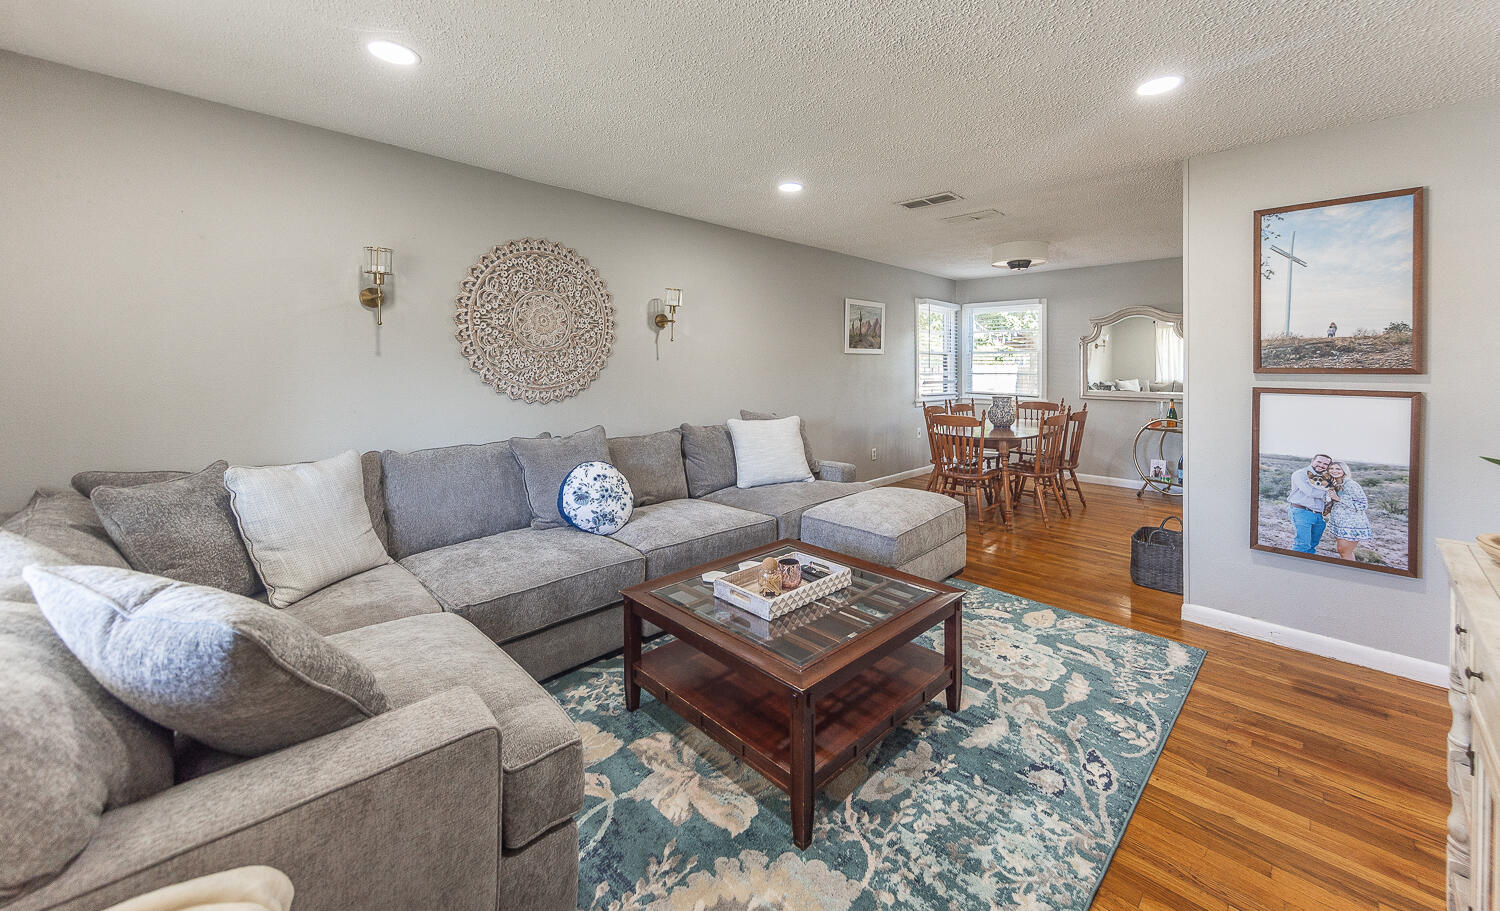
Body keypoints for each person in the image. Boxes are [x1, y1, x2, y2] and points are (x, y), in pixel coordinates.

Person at [1324, 461, 1375, 560]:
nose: (1334, 471)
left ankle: (1349, 573)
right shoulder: (1334, 484)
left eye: (1338, 469)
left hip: (1351, 524)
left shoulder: (1351, 484)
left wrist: (1338, 498)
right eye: (1331, 468)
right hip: (1339, 523)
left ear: (1344, 471)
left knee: (1344, 552)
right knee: (1342, 552)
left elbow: (1363, 505)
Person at [1287, 454, 1333, 554]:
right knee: (1302, 545)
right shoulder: (1300, 474)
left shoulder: (1326, 477)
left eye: (1325, 464)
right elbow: (1310, 492)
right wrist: (1330, 493)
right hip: (1302, 512)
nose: (1321, 465)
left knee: (1312, 545)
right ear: (1312, 461)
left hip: (1319, 515)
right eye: (1319, 462)